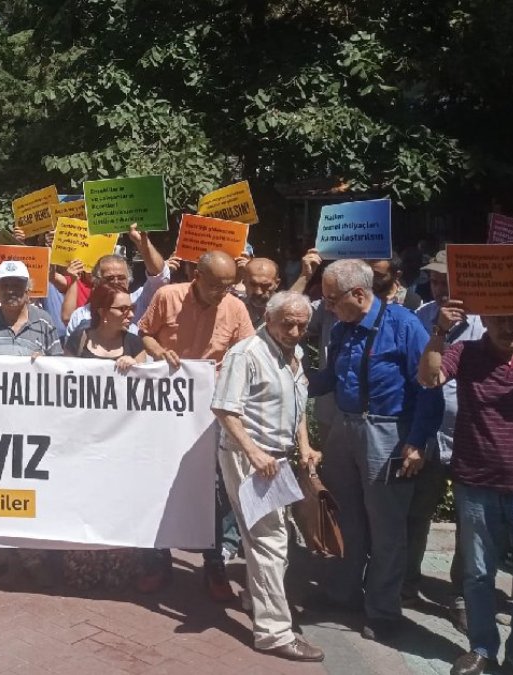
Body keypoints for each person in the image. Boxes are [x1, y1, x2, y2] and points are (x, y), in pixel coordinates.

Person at [308, 258, 432, 642]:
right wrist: (289, 375)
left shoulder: (405, 325)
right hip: (345, 427)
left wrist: (416, 442)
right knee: (344, 516)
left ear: (359, 294)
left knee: (386, 527)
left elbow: (429, 388)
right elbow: (328, 379)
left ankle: (382, 611)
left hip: (387, 432)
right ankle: (342, 593)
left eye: (332, 299)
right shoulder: (342, 329)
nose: (328, 307)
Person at [418, 306, 513, 675]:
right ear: (484, 320)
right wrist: (440, 330)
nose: (508, 326)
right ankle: (482, 649)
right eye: (500, 318)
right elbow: (429, 377)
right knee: (478, 573)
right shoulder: (465, 352)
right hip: (476, 484)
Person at [212, 291, 325, 662]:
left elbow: (297, 404)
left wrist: (304, 445)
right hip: (251, 460)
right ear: (269, 319)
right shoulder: (246, 354)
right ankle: (274, 633)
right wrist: (253, 452)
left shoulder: (293, 353)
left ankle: (256, 599)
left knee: (272, 538)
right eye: (287, 324)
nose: (294, 331)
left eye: (302, 325)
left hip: (278, 460)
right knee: (269, 541)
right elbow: (224, 409)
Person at [136, 250, 254, 600]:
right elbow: (145, 333)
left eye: (228, 285)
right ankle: (158, 561)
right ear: (197, 276)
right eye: (216, 285)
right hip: (164, 409)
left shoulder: (236, 308)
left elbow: (246, 354)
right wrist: (158, 352)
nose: (223, 292)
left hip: (211, 414)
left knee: (212, 489)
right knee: (159, 482)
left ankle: (214, 564)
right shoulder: (167, 296)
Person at [0, 260, 62, 585]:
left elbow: (62, 369)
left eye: (17, 285)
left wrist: (47, 364)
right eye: (5, 285)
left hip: (31, 427)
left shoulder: (44, 323)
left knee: (28, 492)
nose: (11, 291)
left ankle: (32, 556)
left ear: (28, 289)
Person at [407, 249, 483, 631]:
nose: (438, 289)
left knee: (470, 524)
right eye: (434, 281)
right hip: (430, 436)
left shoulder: (484, 324)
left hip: (471, 438)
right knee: (417, 512)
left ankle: (460, 596)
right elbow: (419, 377)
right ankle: (407, 581)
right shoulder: (421, 318)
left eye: (445, 282)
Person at [61, 283, 142, 590]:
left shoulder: (134, 343)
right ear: (102, 312)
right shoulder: (79, 339)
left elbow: (151, 382)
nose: (130, 314)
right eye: (123, 309)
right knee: (82, 500)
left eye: (132, 308)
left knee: (116, 502)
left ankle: (117, 567)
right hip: (81, 440)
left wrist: (137, 366)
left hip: (121, 444)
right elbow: (59, 378)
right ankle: (83, 567)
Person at [64, 226, 169, 334]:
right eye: (109, 278)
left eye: (121, 278)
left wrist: (142, 244)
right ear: (97, 282)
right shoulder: (82, 315)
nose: (116, 282)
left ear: (129, 280)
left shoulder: (139, 300)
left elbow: (160, 277)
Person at [236, 258, 280, 328]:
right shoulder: (234, 305)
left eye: (265, 285)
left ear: (277, 283)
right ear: (244, 282)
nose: (258, 292)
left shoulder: (285, 309)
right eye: (253, 284)